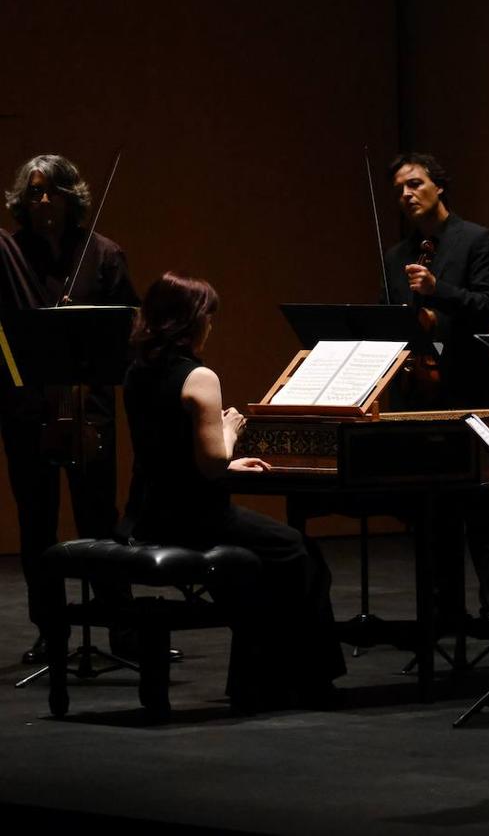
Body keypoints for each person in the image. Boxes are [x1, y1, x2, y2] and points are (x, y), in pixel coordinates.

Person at [119, 272, 345, 710]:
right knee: (300, 552)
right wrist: (229, 431)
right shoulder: (199, 377)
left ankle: (260, 681)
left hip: (147, 512)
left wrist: (220, 455)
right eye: (209, 317)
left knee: (274, 563)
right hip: (195, 516)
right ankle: (313, 681)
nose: (211, 326)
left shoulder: (136, 371)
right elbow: (211, 464)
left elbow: (169, 448)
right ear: (191, 321)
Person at [1, 154, 139, 665]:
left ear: (70, 197)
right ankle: (51, 631)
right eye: (34, 193)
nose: (43, 202)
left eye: (53, 192)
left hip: (87, 410)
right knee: (37, 522)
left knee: (99, 519)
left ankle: (121, 628)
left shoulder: (104, 254)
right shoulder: (8, 253)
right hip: (27, 409)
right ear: (22, 199)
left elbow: (130, 327)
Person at [382, 152, 489, 624]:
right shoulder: (397, 255)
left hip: (467, 390)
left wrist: (440, 295)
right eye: (399, 190)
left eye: (414, 184)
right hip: (415, 399)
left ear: (440, 186)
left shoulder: (477, 240)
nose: (406, 195)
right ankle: (443, 617)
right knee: (430, 514)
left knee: (482, 509)